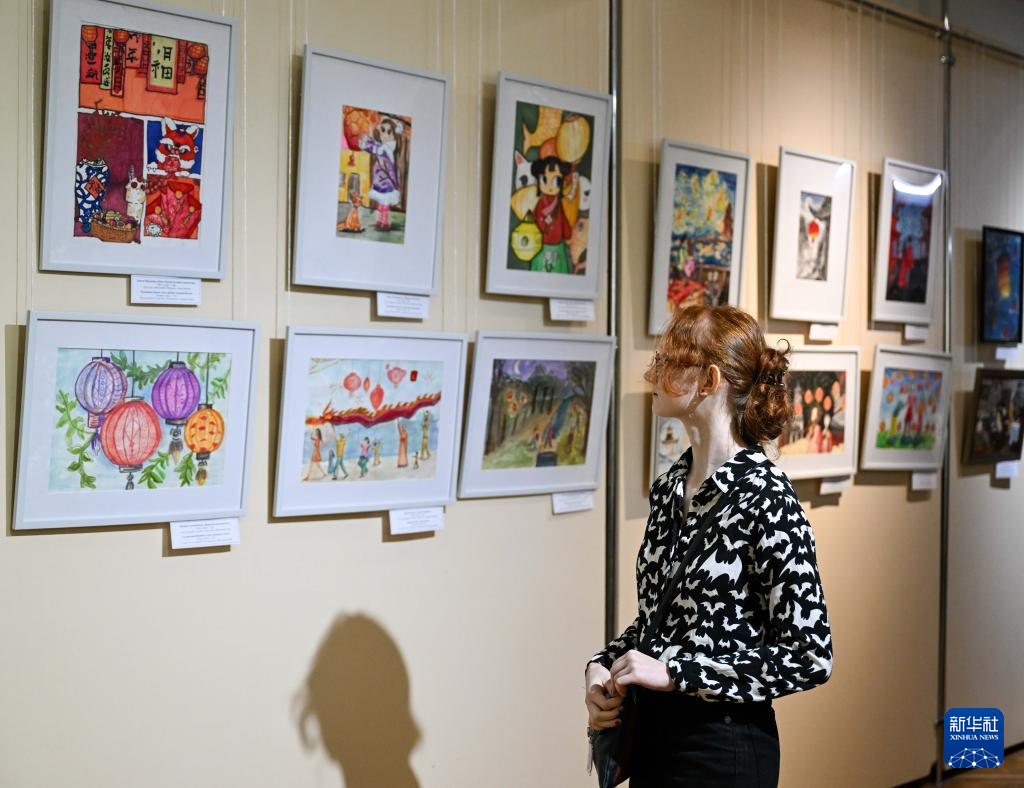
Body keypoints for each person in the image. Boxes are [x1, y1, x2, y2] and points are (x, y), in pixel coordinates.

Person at [584, 304, 833, 787]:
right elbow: (661, 620)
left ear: (709, 380)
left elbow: (809, 655)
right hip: (653, 740)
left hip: (723, 749)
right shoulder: (669, 487)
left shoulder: (767, 497)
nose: (652, 373)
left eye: (669, 360)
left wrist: (678, 673)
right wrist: (602, 665)